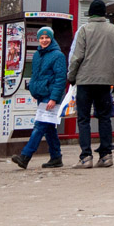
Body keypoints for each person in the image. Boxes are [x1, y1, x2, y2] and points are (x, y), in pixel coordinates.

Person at [67, 0, 114, 169]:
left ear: (90, 14)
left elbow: (77, 56)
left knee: (84, 119)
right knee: (104, 118)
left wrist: (71, 76)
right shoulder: (113, 30)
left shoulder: (84, 30)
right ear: (104, 14)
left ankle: (86, 157)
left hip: (85, 81)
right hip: (106, 82)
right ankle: (106, 155)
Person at [10, 26, 67, 170]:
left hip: (50, 97)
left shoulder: (58, 55)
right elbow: (35, 75)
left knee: (39, 126)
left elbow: (60, 79)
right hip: (41, 96)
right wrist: (35, 92)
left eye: (47, 37)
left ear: (52, 38)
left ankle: (25, 156)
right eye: (41, 38)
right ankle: (56, 158)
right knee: (49, 128)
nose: (44, 40)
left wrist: (54, 98)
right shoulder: (37, 55)